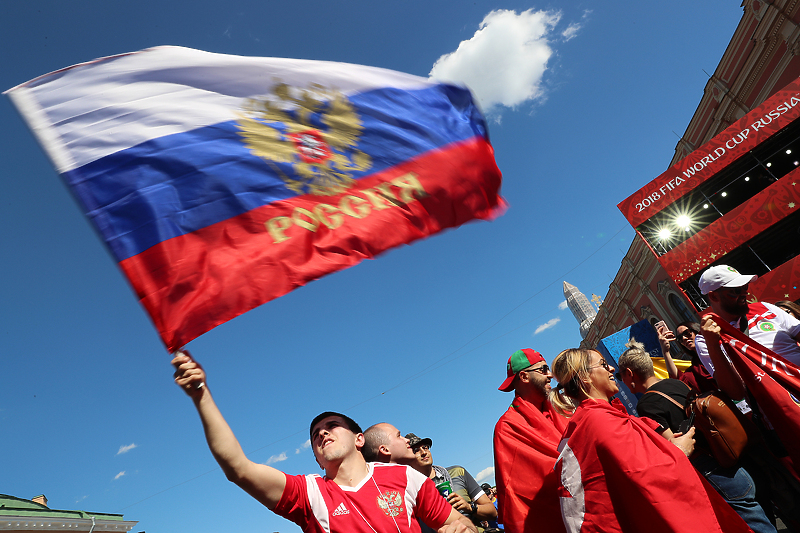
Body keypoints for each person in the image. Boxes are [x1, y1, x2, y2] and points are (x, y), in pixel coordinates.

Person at [172, 352, 476, 533]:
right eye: (315, 434)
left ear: (359, 439)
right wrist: (202, 396)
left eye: (332, 426)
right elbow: (238, 468)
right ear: (317, 460)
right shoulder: (310, 495)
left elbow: (463, 525)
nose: (322, 433)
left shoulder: (404, 477)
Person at [549, 347, 750, 533]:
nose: (611, 368)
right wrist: (679, 451)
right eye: (603, 364)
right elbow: (644, 475)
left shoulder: (587, 420)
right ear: (585, 377)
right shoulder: (599, 421)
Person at [617, 340, 775, 533]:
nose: (620, 380)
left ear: (629, 373)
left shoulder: (647, 404)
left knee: (754, 524)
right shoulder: (676, 384)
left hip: (712, 469)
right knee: (762, 515)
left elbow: (674, 446)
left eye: (620, 375)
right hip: (732, 454)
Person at [492, 349, 568, 533]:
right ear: (525, 376)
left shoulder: (562, 407)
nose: (550, 375)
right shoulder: (508, 427)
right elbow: (515, 496)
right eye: (543, 370)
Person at [695, 265, 800, 397]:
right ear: (714, 296)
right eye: (737, 290)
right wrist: (713, 344)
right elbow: (736, 393)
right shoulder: (705, 339)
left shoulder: (764, 308)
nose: (745, 293)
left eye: (745, 287)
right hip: (781, 408)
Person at [674, 321, 717, 393]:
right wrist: (665, 351)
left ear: (696, 330)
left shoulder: (717, 347)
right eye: (680, 338)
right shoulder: (695, 368)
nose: (684, 338)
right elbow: (681, 379)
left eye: (686, 333)